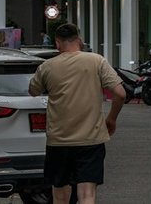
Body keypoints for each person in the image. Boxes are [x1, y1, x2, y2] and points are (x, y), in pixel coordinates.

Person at [28, 21, 125, 204]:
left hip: (59, 141)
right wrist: (111, 119)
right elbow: (120, 93)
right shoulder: (97, 61)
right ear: (79, 40)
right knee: (87, 194)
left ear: (57, 43)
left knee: (60, 196)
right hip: (91, 139)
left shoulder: (47, 66)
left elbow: (33, 90)